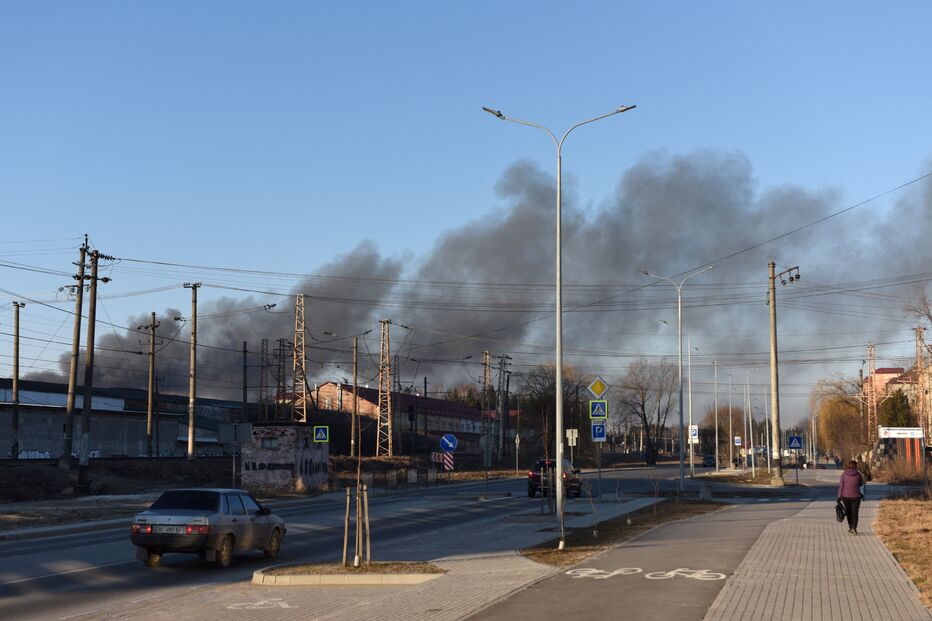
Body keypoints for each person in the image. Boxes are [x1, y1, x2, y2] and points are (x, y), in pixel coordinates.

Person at [837, 460, 865, 535]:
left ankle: (850, 527)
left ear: (848, 466)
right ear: (856, 466)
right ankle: (854, 528)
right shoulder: (858, 475)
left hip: (845, 497)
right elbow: (861, 485)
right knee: (855, 513)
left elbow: (841, 486)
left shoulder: (843, 474)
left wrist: (839, 497)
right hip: (856, 496)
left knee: (849, 513)